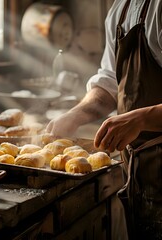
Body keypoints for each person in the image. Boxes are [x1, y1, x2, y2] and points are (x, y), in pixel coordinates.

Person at [46, 0, 162, 239]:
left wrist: (140, 119)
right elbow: (110, 82)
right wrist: (75, 114)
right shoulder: (120, 9)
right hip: (139, 169)